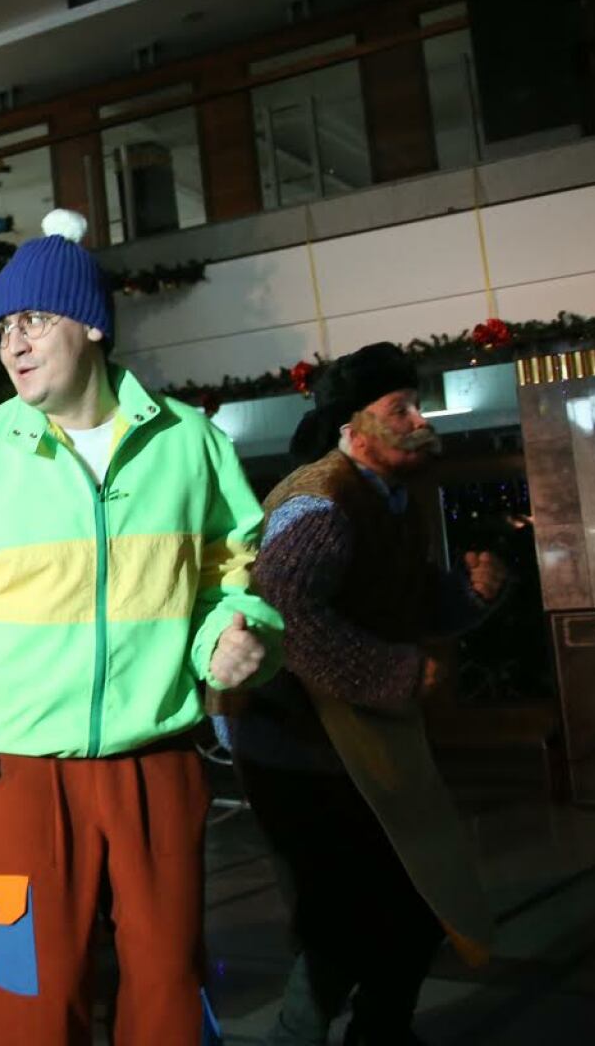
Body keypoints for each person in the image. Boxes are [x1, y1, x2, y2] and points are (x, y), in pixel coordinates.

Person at [0, 209, 284, 1046]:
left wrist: (232, 632)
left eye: (33, 320)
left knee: (169, 985)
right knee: (25, 992)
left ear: (92, 323)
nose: (14, 344)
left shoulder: (190, 444)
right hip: (17, 776)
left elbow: (233, 571)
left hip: (157, 764)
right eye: (2, 330)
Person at [230, 342, 505, 1046]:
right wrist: (395, 675)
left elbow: (397, 601)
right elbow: (287, 614)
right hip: (296, 745)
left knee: (407, 900)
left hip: (354, 741)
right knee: (345, 916)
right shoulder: (322, 504)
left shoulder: (389, 500)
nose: (419, 419)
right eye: (400, 408)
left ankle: (381, 1032)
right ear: (353, 429)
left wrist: (466, 598)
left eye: (416, 406)